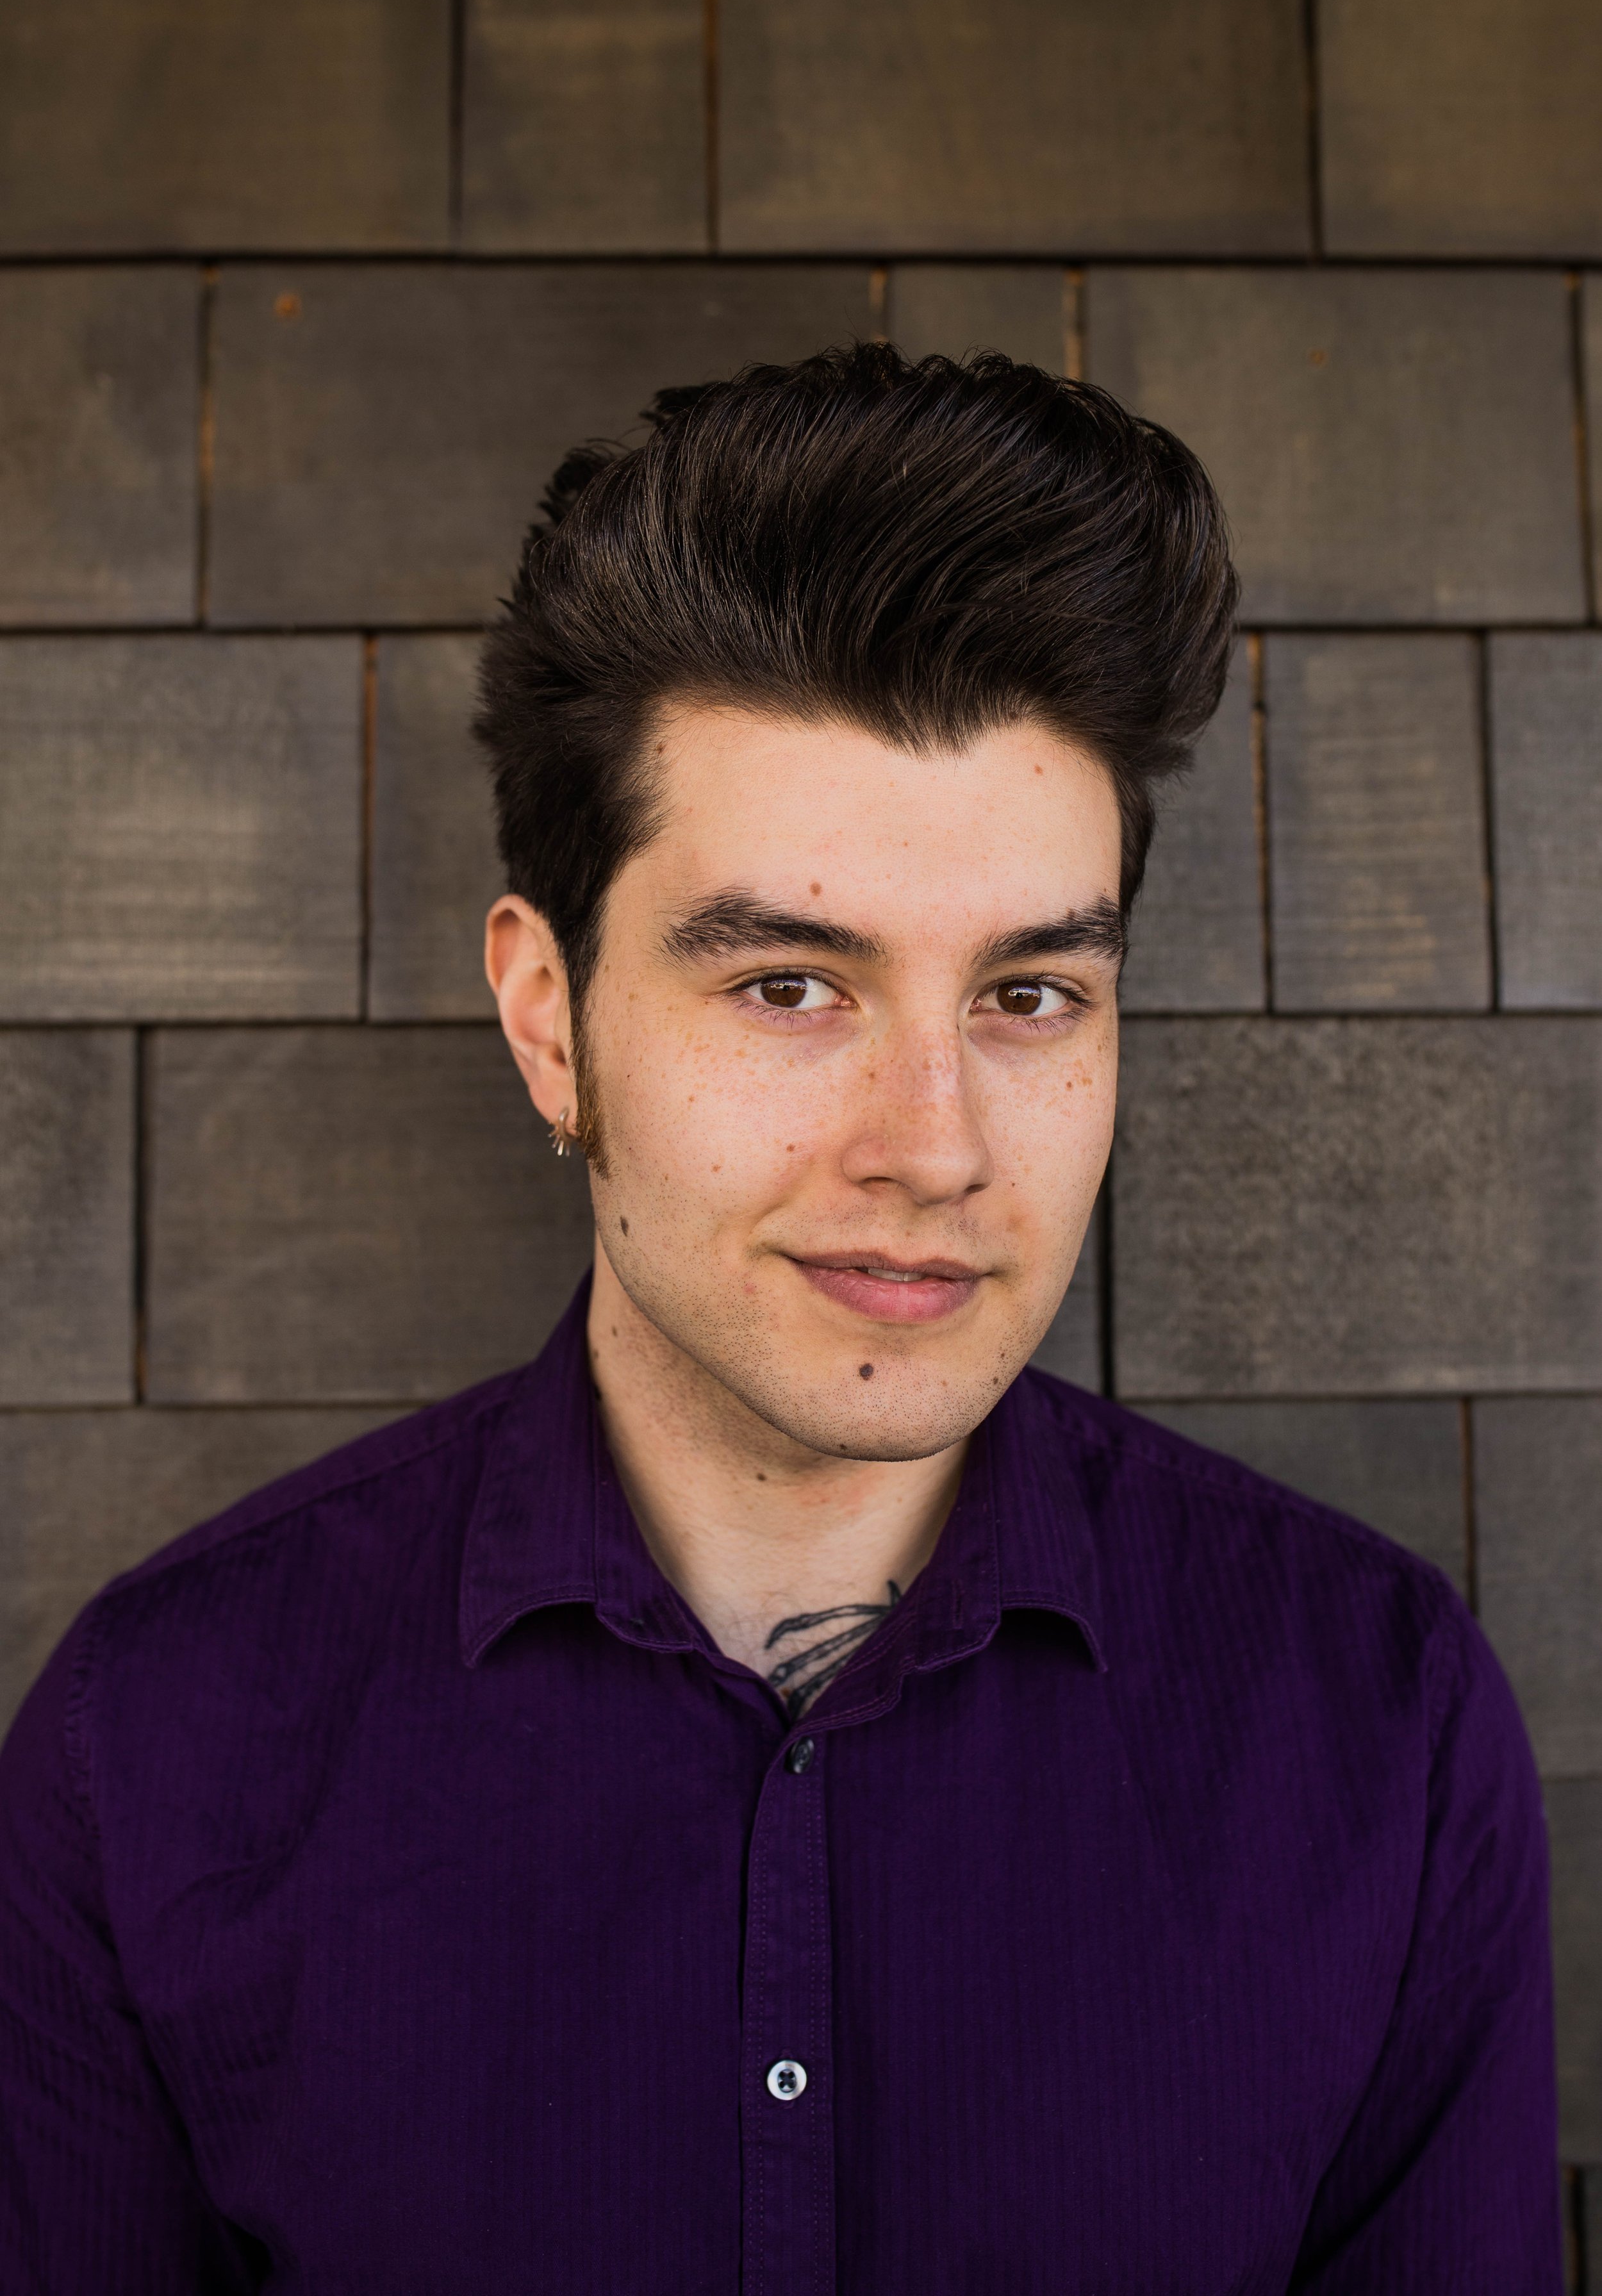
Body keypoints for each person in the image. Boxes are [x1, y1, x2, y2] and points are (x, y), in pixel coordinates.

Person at [0, 346, 1558, 2292]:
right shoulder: (157, 1745)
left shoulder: (1375, 1727)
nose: (933, 1148)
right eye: (790, 988)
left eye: (1027, 996)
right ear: (547, 1017)